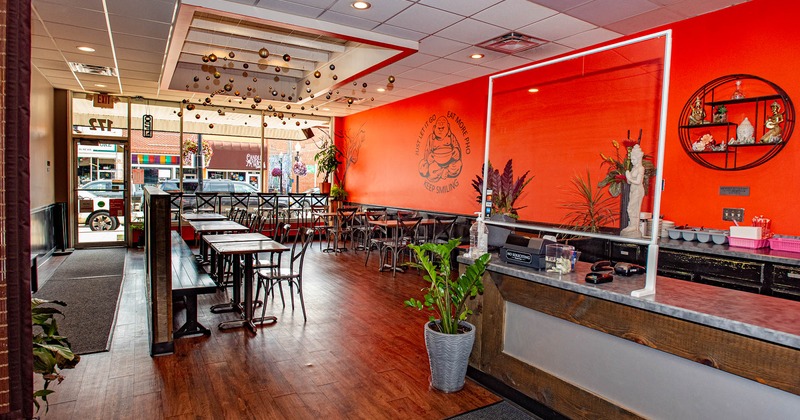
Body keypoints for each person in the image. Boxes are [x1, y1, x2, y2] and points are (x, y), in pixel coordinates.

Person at [418, 116, 463, 182]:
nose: (441, 128)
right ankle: (442, 172)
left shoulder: (451, 137)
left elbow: (457, 147)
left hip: (450, 161)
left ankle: (446, 171)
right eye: (439, 127)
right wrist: (429, 158)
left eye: (443, 126)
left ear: (448, 126)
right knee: (431, 170)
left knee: (458, 165)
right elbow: (427, 152)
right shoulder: (431, 138)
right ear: (434, 128)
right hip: (436, 163)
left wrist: (456, 152)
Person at [621, 145, 645, 238]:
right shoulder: (633, 168)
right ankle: (632, 225)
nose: (632, 161)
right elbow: (629, 182)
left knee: (633, 208)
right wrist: (628, 177)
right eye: (631, 160)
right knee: (630, 208)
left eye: (634, 159)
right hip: (633, 190)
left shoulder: (640, 168)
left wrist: (629, 177)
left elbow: (638, 182)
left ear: (638, 159)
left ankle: (634, 227)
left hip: (638, 190)